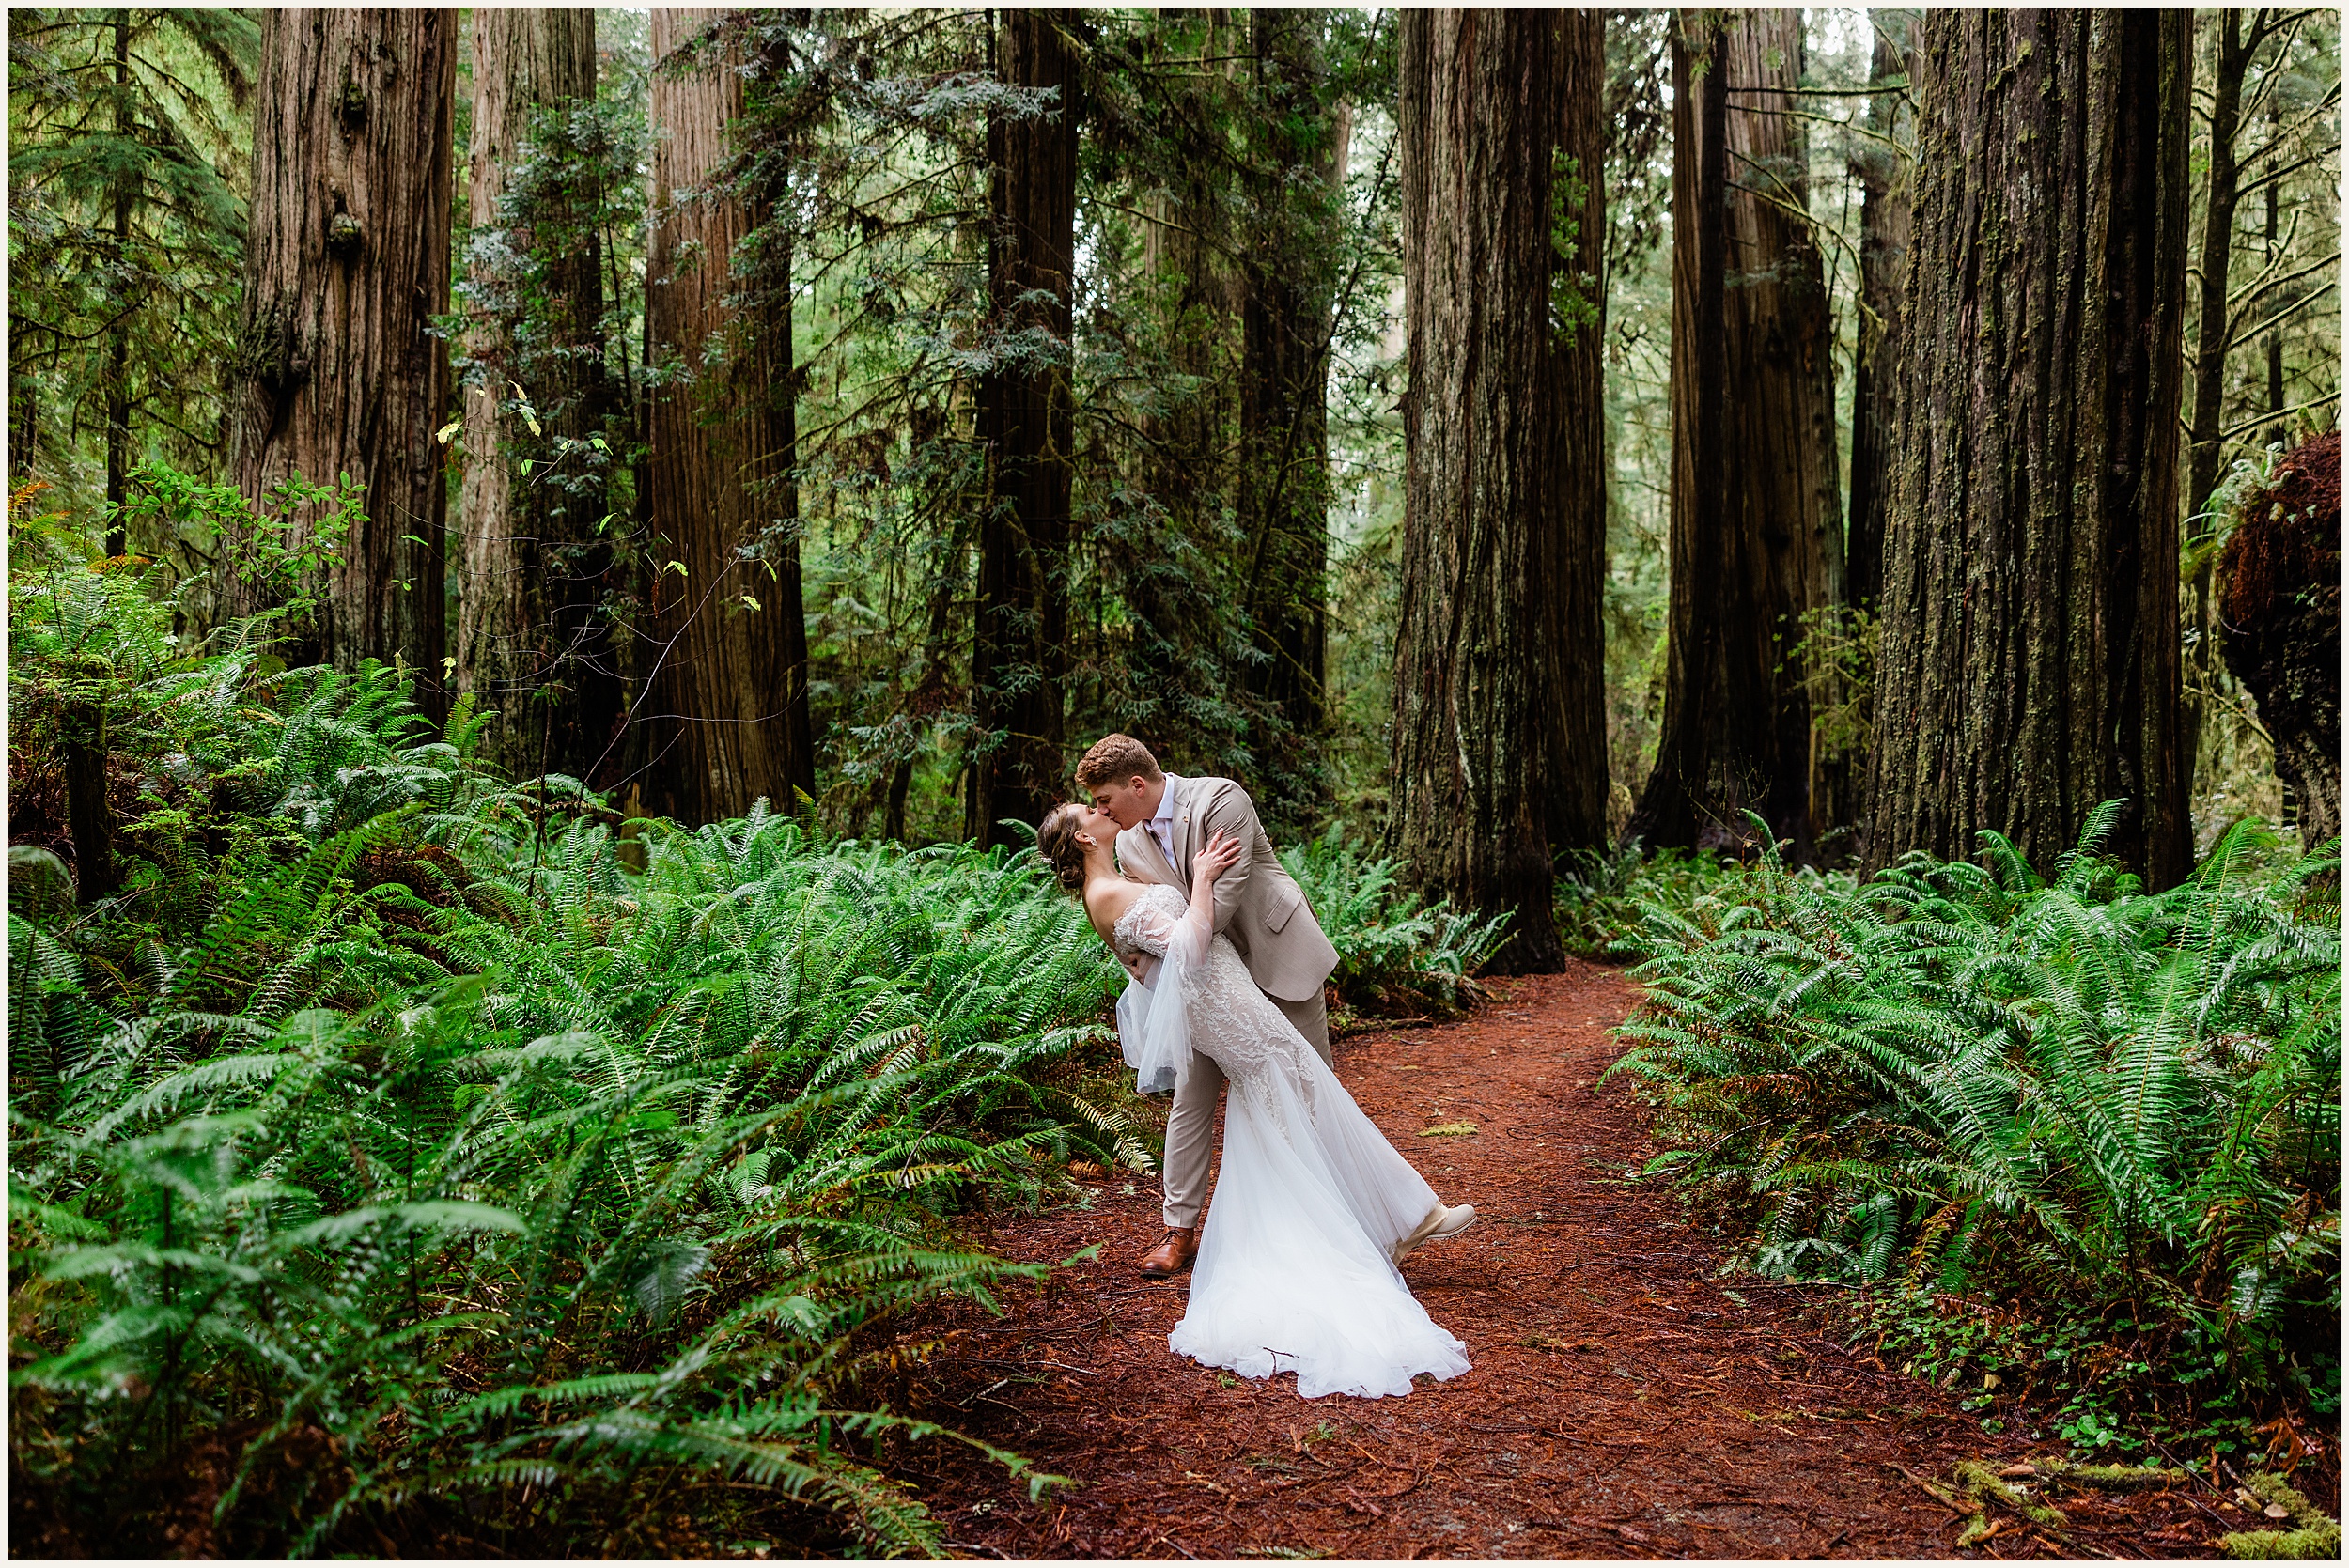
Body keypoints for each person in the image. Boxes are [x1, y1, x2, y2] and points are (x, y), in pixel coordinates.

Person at [1036, 792, 1476, 1399]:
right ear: (1083, 837)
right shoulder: (1108, 892)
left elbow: (1163, 951)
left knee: (1293, 1099)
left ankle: (1397, 1218)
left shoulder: (1121, 873)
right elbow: (1188, 946)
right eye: (1087, 809)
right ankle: (1369, 1227)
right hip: (1221, 1003)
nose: (1098, 808)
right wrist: (1205, 879)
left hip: (1229, 992)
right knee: (1292, 1097)